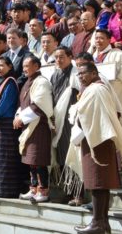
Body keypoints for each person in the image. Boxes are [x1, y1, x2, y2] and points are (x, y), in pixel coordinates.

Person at [68, 61, 122, 234]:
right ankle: (102, 223)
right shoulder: (100, 88)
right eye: (78, 74)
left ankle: (98, 222)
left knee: (98, 183)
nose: (80, 77)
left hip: (98, 140)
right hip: (97, 138)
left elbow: (88, 116)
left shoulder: (96, 89)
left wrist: (76, 117)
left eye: (84, 73)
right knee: (99, 184)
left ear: (94, 73)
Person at [14, 56, 54, 203]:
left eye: (27, 66)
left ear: (37, 66)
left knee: (39, 159)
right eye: (23, 66)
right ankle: (33, 189)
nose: (24, 69)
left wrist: (21, 118)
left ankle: (43, 191)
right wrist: (17, 115)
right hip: (29, 125)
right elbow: (23, 104)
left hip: (39, 125)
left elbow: (39, 105)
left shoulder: (41, 82)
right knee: (31, 160)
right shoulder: (28, 82)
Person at [49, 46, 82, 205]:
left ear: (70, 57)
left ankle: (79, 194)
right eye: (56, 57)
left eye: (62, 57)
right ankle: (68, 191)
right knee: (61, 156)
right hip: (58, 119)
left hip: (72, 120)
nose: (58, 60)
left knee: (73, 156)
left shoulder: (76, 74)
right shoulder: (55, 75)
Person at [91, 29, 122, 145]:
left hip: (115, 99)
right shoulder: (92, 56)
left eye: (101, 38)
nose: (98, 41)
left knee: (119, 132)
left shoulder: (118, 55)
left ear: (109, 40)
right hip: (96, 100)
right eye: (96, 38)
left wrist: (106, 90)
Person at [0, 57, 22, 198]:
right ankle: (2, 190)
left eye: (2, 66)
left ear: (10, 66)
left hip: (8, 123)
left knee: (7, 159)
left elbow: (5, 104)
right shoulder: (1, 82)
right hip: (1, 124)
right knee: (2, 159)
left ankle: (9, 191)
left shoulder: (11, 83)